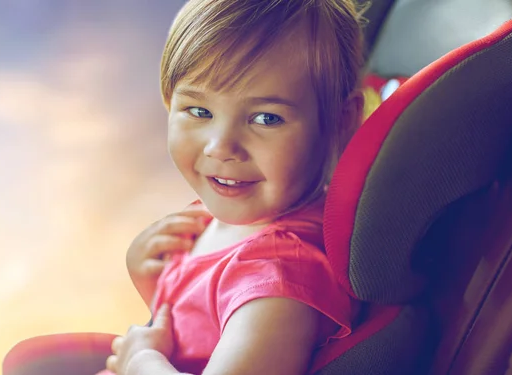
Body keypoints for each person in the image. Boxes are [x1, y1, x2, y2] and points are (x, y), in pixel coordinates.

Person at [102, 0, 365, 374]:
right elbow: (202, 338)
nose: (221, 147)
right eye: (199, 111)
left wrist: (141, 362)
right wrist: (154, 285)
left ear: (340, 122)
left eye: (266, 118)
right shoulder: (218, 217)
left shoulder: (278, 278)